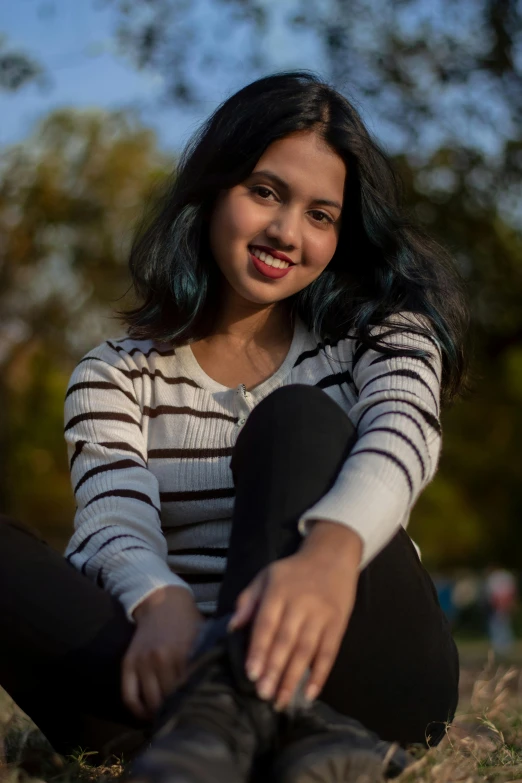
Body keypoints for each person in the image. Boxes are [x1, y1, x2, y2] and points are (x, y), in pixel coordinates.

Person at [0, 71, 468, 783]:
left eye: (322, 214)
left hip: (355, 665)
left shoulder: (379, 335)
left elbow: (402, 439)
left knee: (297, 419)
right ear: (214, 191)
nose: (287, 232)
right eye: (266, 192)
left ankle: (238, 714)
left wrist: (330, 555)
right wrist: (159, 600)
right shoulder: (114, 373)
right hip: (164, 674)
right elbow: (111, 518)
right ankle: (262, 729)